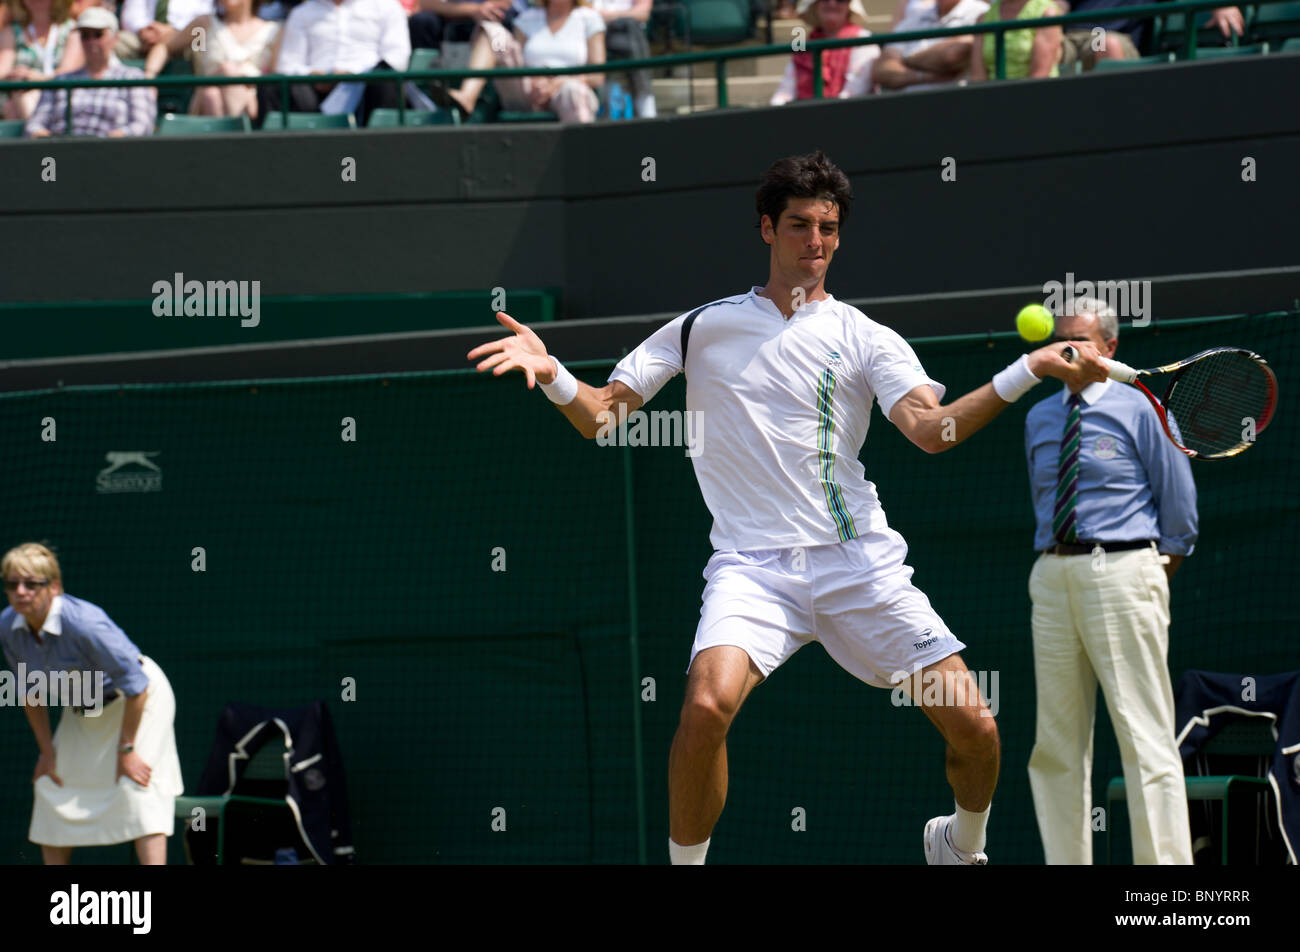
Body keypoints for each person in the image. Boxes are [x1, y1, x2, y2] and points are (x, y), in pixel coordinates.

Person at [468, 150, 1110, 864]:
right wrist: (555, 372)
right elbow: (602, 418)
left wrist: (1028, 369)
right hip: (751, 568)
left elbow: (934, 431)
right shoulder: (700, 327)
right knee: (705, 708)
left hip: (858, 563)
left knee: (977, 730)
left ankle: (960, 846)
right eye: (800, 224)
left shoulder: (866, 337)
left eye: (829, 228)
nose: (817, 242)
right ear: (766, 228)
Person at [1023, 298, 1197, 864]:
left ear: (1110, 349)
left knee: (1144, 739)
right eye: (1060, 342)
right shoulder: (1039, 417)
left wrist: (1139, 575)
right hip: (1051, 578)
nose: (1068, 352)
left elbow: (1180, 515)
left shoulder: (1144, 409)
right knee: (1055, 744)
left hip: (1124, 572)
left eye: (1081, 341)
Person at [0, 543, 184, 864]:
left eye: (31, 584)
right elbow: (32, 692)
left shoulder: (85, 622)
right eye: (12, 584)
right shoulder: (8, 627)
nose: (20, 592)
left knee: (137, 787)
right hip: (85, 707)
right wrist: (46, 752)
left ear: (54, 587)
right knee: (49, 787)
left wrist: (126, 749)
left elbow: (137, 685)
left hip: (140, 699)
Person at [431, 0, 605, 123]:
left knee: (574, 93)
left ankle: (583, 154)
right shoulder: (527, 17)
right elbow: (514, 58)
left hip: (567, 88)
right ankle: (467, 96)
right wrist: (534, 81)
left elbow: (597, 76)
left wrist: (559, 82)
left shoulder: (589, 18)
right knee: (494, 32)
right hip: (526, 90)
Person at [257, 0, 411, 126]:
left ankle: (382, 149)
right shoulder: (302, 13)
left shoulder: (387, 6)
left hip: (368, 87)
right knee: (271, 86)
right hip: (313, 93)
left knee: (385, 80)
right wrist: (313, 76)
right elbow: (288, 65)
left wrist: (353, 75)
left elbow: (397, 57)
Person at [25, 6, 156, 136]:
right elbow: (34, 125)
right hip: (61, 152)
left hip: (112, 153)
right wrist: (50, 142)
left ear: (114, 38)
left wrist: (112, 140)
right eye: (85, 35)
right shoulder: (60, 81)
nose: (91, 41)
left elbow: (142, 125)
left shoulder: (132, 77)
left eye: (98, 35)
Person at [143, 0, 279, 118]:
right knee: (211, 94)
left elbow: (274, 78)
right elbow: (165, 48)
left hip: (254, 106)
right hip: (206, 102)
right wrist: (149, 77)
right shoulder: (203, 26)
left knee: (219, 84)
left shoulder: (273, 31)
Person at [1055, 0, 1245, 72]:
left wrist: (1220, 5)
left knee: (1106, 43)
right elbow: (1057, 6)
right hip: (1070, 38)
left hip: (1106, 39)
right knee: (1040, 46)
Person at [770, 0, 875, 105]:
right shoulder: (805, 45)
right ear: (815, 5)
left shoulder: (862, 39)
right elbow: (785, 92)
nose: (832, 4)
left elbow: (855, 92)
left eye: (840, 0)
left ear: (849, 6)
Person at [874, 0, 988, 92]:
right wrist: (923, 76)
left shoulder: (980, 13)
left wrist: (905, 60)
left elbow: (951, 55)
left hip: (958, 108)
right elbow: (881, 70)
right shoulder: (915, 18)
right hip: (911, 110)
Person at [0, 0, 83, 120]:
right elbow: (3, 67)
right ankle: (37, 133)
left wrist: (33, 77)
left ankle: (37, 133)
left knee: (15, 105)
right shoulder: (12, 31)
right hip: (22, 98)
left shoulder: (72, 29)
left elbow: (67, 73)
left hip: (61, 96)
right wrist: (15, 75)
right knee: (14, 102)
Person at [588, 0, 653, 117]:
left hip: (630, 37)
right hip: (595, 35)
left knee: (628, 27)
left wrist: (609, 16)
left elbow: (643, 13)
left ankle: (646, 108)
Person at [969, 0, 1061, 80]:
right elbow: (978, 77)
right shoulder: (983, 19)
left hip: (1035, 95)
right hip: (993, 96)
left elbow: (1040, 75)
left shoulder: (1047, 13)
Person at [116, 0, 216, 59]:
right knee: (116, 41)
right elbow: (131, 15)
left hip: (184, 39)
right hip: (145, 38)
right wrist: (143, 31)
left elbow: (207, 16)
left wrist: (173, 31)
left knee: (200, 43)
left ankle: (203, 90)